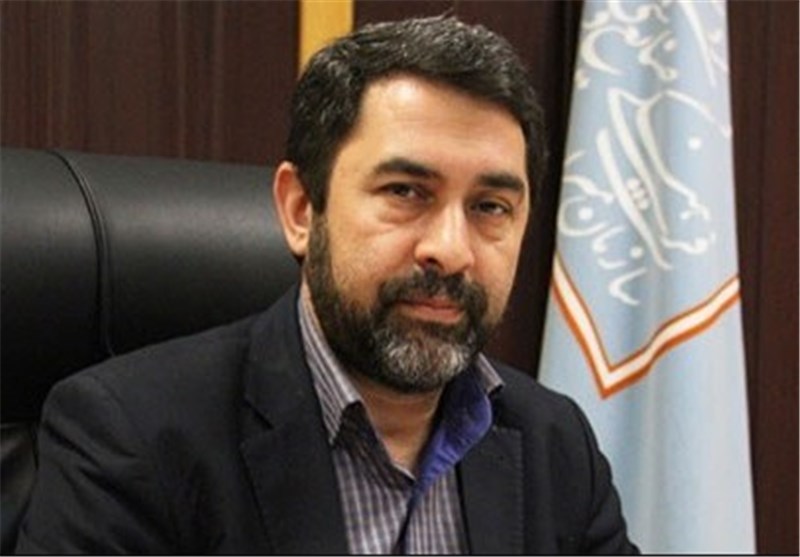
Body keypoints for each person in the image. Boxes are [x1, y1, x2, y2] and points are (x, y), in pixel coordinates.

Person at [16, 16, 638, 555]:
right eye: (405, 192)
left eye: (490, 207)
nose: (451, 251)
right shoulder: (133, 438)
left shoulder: (556, 447)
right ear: (300, 210)